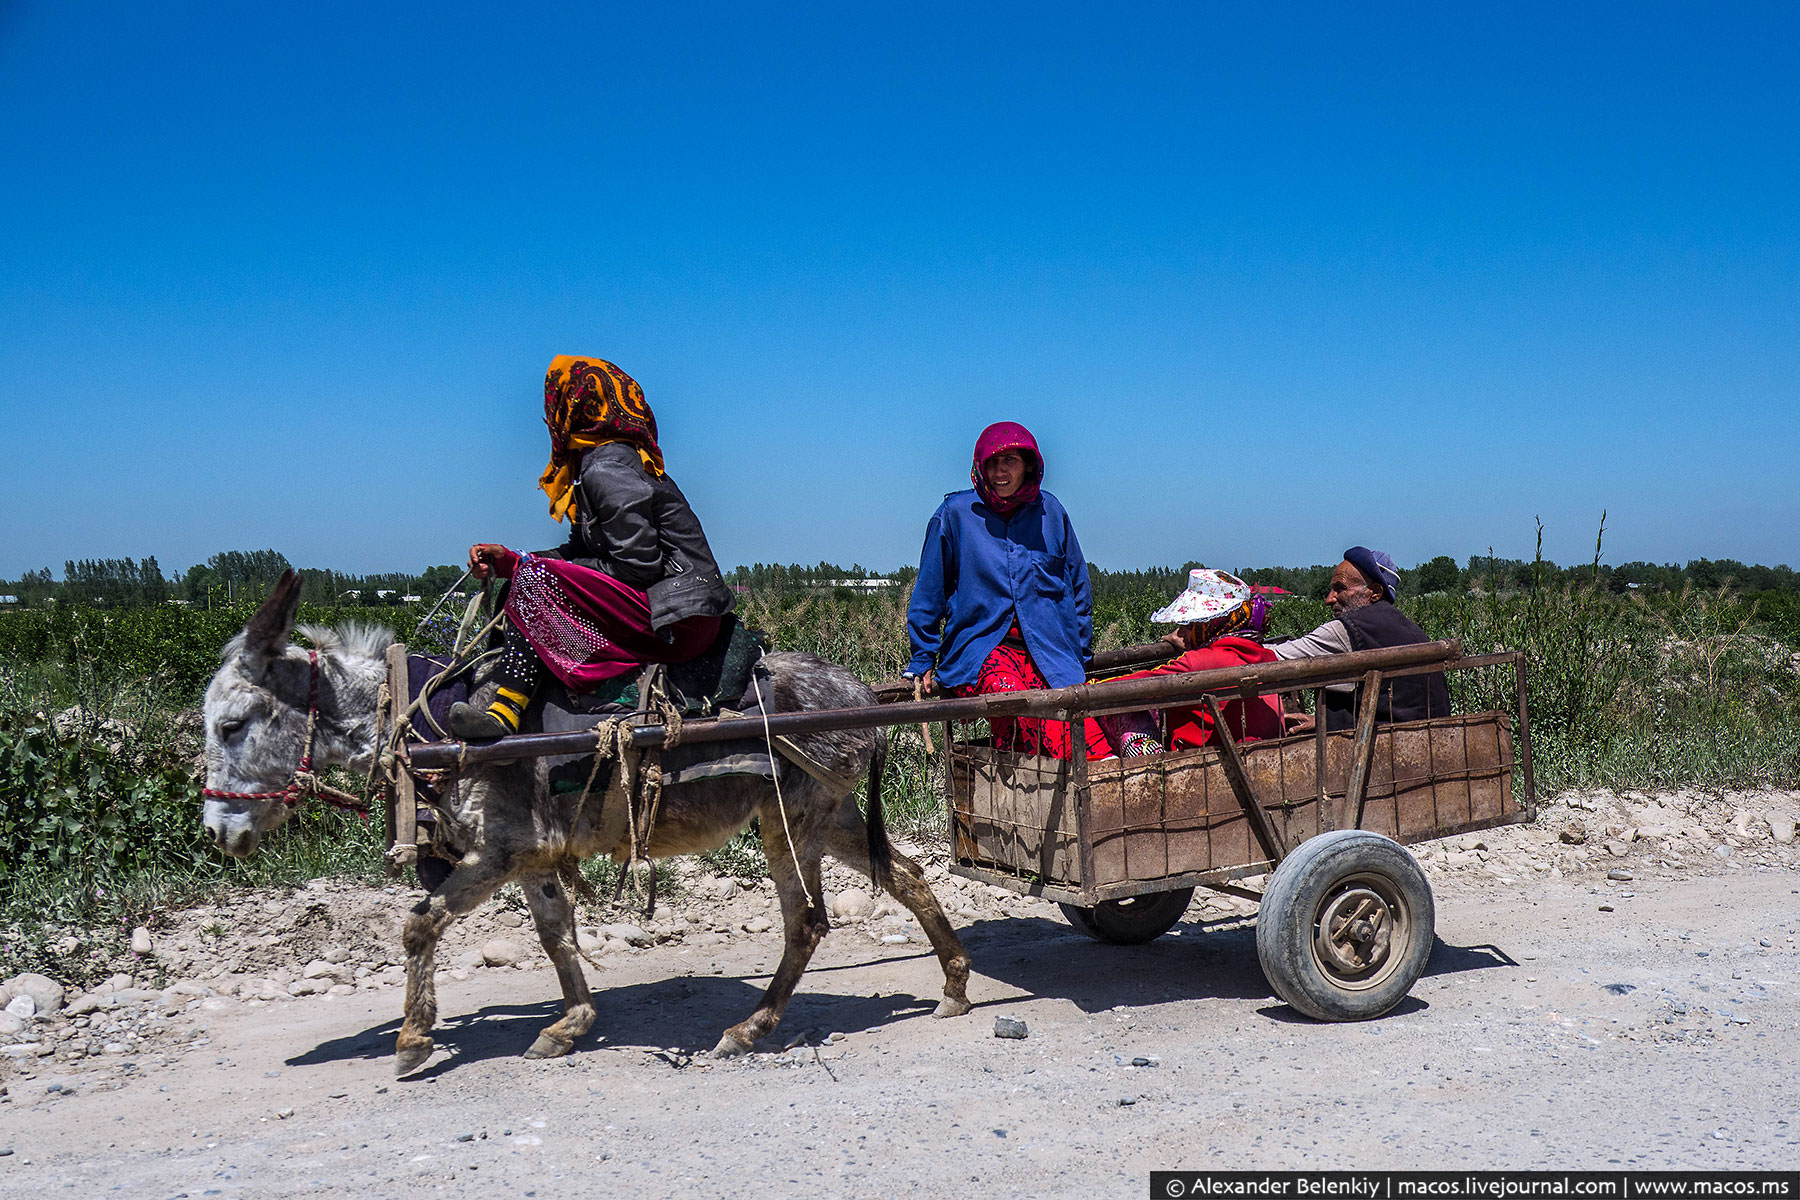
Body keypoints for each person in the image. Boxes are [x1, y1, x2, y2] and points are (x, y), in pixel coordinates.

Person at [448, 356, 735, 740]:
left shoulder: (606, 469)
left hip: (678, 620)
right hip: (664, 605)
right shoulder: (603, 463)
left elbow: (638, 566)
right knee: (527, 574)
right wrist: (512, 562)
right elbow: (583, 551)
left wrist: (533, 571)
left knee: (533, 579)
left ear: (572, 407)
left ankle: (506, 710)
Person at [903, 421, 1107, 759]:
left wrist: (1079, 654)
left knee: (1078, 726)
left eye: (1010, 460)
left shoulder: (1051, 513)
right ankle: (1061, 779)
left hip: (1049, 651)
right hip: (985, 650)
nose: (1000, 471)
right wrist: (923, 656)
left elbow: (1077, 588)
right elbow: (930, 589)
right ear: (979, 467)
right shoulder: (955, 516)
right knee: (1013, 701)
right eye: (992, 463)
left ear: (1029, 465)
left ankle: (1085, 786)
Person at [1103, 569, 1285, 755]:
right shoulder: (1263, 657)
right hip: (1264, 761)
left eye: (1190, 625)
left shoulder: (1198, 663)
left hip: (1208, 770)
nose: (1182, 631)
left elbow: (1119, 688)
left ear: (1209, 625)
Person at [1272, 546, 1450, 732]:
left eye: (1339, 589)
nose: (1329, 599)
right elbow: (1399, 706)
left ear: (1374, 592)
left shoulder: (1348, 629)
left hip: (1387, 750)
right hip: (1431, 741)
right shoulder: (1411, 629)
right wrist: (1325, 721)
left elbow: (1270, 656)